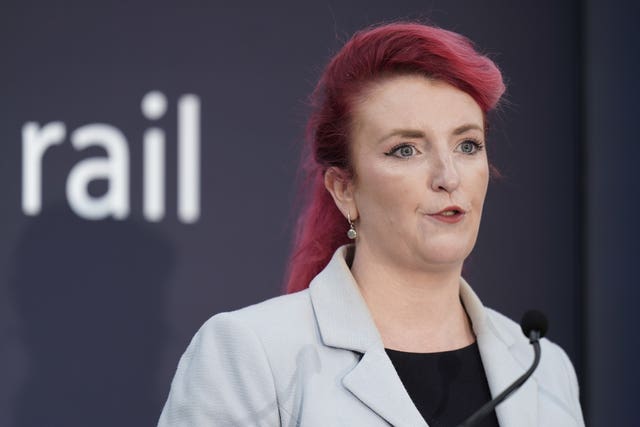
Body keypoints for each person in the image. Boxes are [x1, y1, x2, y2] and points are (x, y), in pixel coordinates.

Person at [158, 22, 585, 426]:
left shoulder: (543, 367)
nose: (449, 177)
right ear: (344, 189)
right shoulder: (252, 353)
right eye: (405, 150)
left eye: (467, 145)